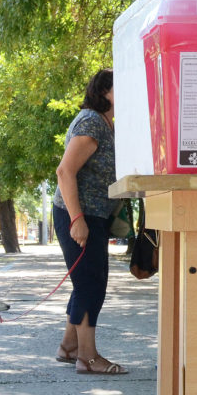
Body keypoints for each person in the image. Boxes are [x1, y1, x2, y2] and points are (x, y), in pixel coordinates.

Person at [52, 68, 128, 375]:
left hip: (95, 214)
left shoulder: (106, 124)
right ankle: (88, 357)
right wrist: (77, 220)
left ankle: (69, 347)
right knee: (90, 285)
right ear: (107, 91)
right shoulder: (91, 122)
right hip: (79, 214)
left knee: (87, 281)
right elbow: (64, 171)